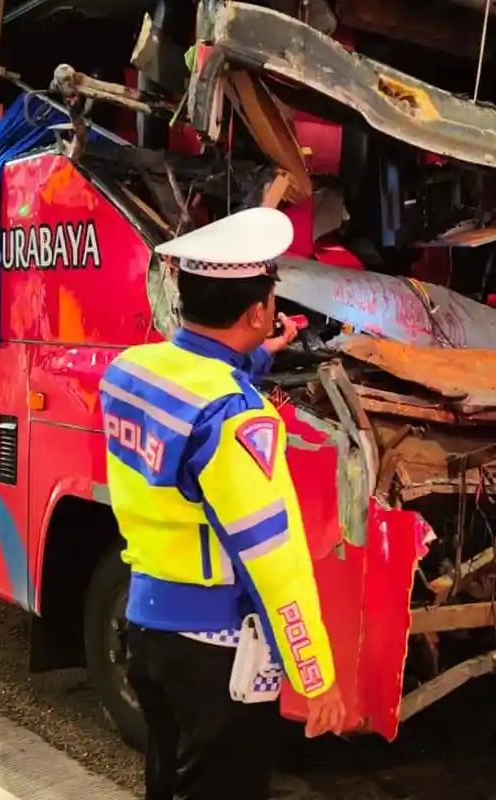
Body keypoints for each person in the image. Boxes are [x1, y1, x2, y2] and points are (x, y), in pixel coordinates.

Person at [99, 207, 347, 800]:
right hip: (215, 652)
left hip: (146, 627)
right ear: (257, 310)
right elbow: (270, 559)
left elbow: (196, 369)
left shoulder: (130, 371)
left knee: (168, 780)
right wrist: (314, 675)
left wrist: (258, 354)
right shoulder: (236, 419)